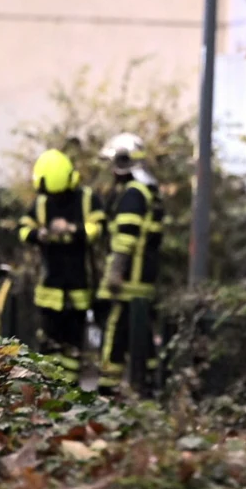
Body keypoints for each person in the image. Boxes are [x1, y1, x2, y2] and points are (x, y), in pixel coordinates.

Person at [18, 148, 105, 379]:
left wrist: (72, 229)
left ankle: (68, 390)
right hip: (48, 288)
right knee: (48, 344)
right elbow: (23, 229)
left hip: (79, 286)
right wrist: (40, 235)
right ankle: (49, 387)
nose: (54, 200)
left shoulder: (87, 199)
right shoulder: (42, 202)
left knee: (74, 345)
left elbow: (99, 229)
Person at [95, 133, 163, 395]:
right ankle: (147, 383)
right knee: (141, 333)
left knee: (115, 331)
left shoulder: (134, 194)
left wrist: (115, 273)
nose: (111, 171)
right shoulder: (149, 191)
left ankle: (107, 387)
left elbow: (125, 239)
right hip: (142, 279)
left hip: (128, 281)